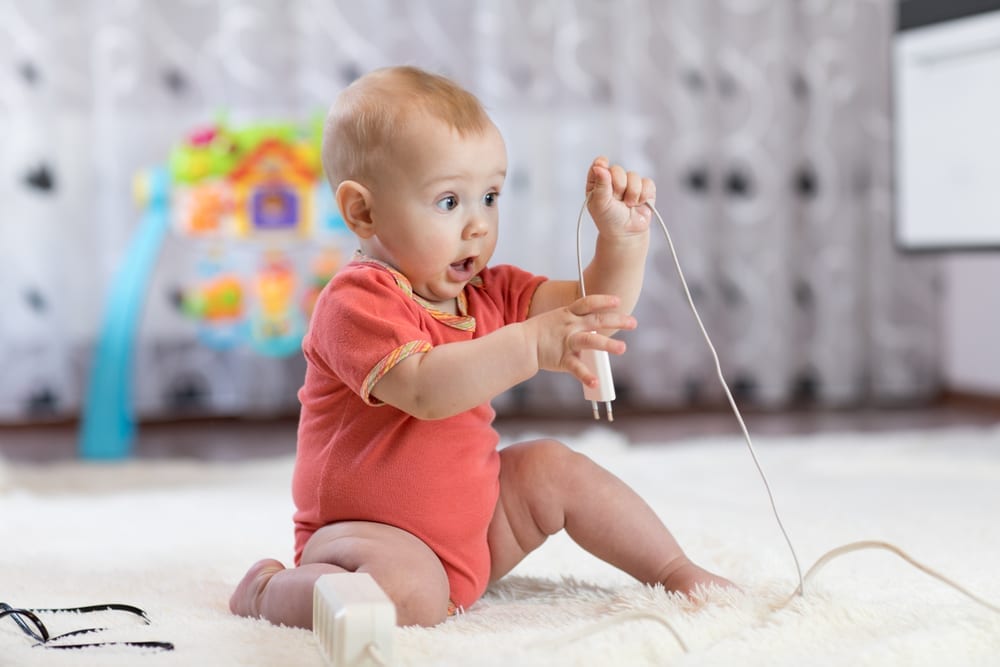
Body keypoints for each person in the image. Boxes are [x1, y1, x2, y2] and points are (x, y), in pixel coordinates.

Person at [230, 65, 731, 630]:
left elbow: (599, 307)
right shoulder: (357, 301)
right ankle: (268, 591)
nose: (477, 226)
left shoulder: (487, 290)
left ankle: (675, 572)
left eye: (489, 196)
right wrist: (530, 344)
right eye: (449, 202)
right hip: (367, 540)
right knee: (409, 593)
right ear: (363, 212)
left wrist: (623, 239)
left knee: (553, 467)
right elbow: (423, 388)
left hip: (474, 532)